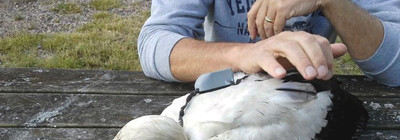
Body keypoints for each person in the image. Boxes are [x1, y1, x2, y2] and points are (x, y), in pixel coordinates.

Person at [138, 0, 400, 86]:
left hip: (309, 100)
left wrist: (330, 2)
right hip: (222, 90)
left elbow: (396, 67)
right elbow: (154, 43)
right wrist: (245, 55)